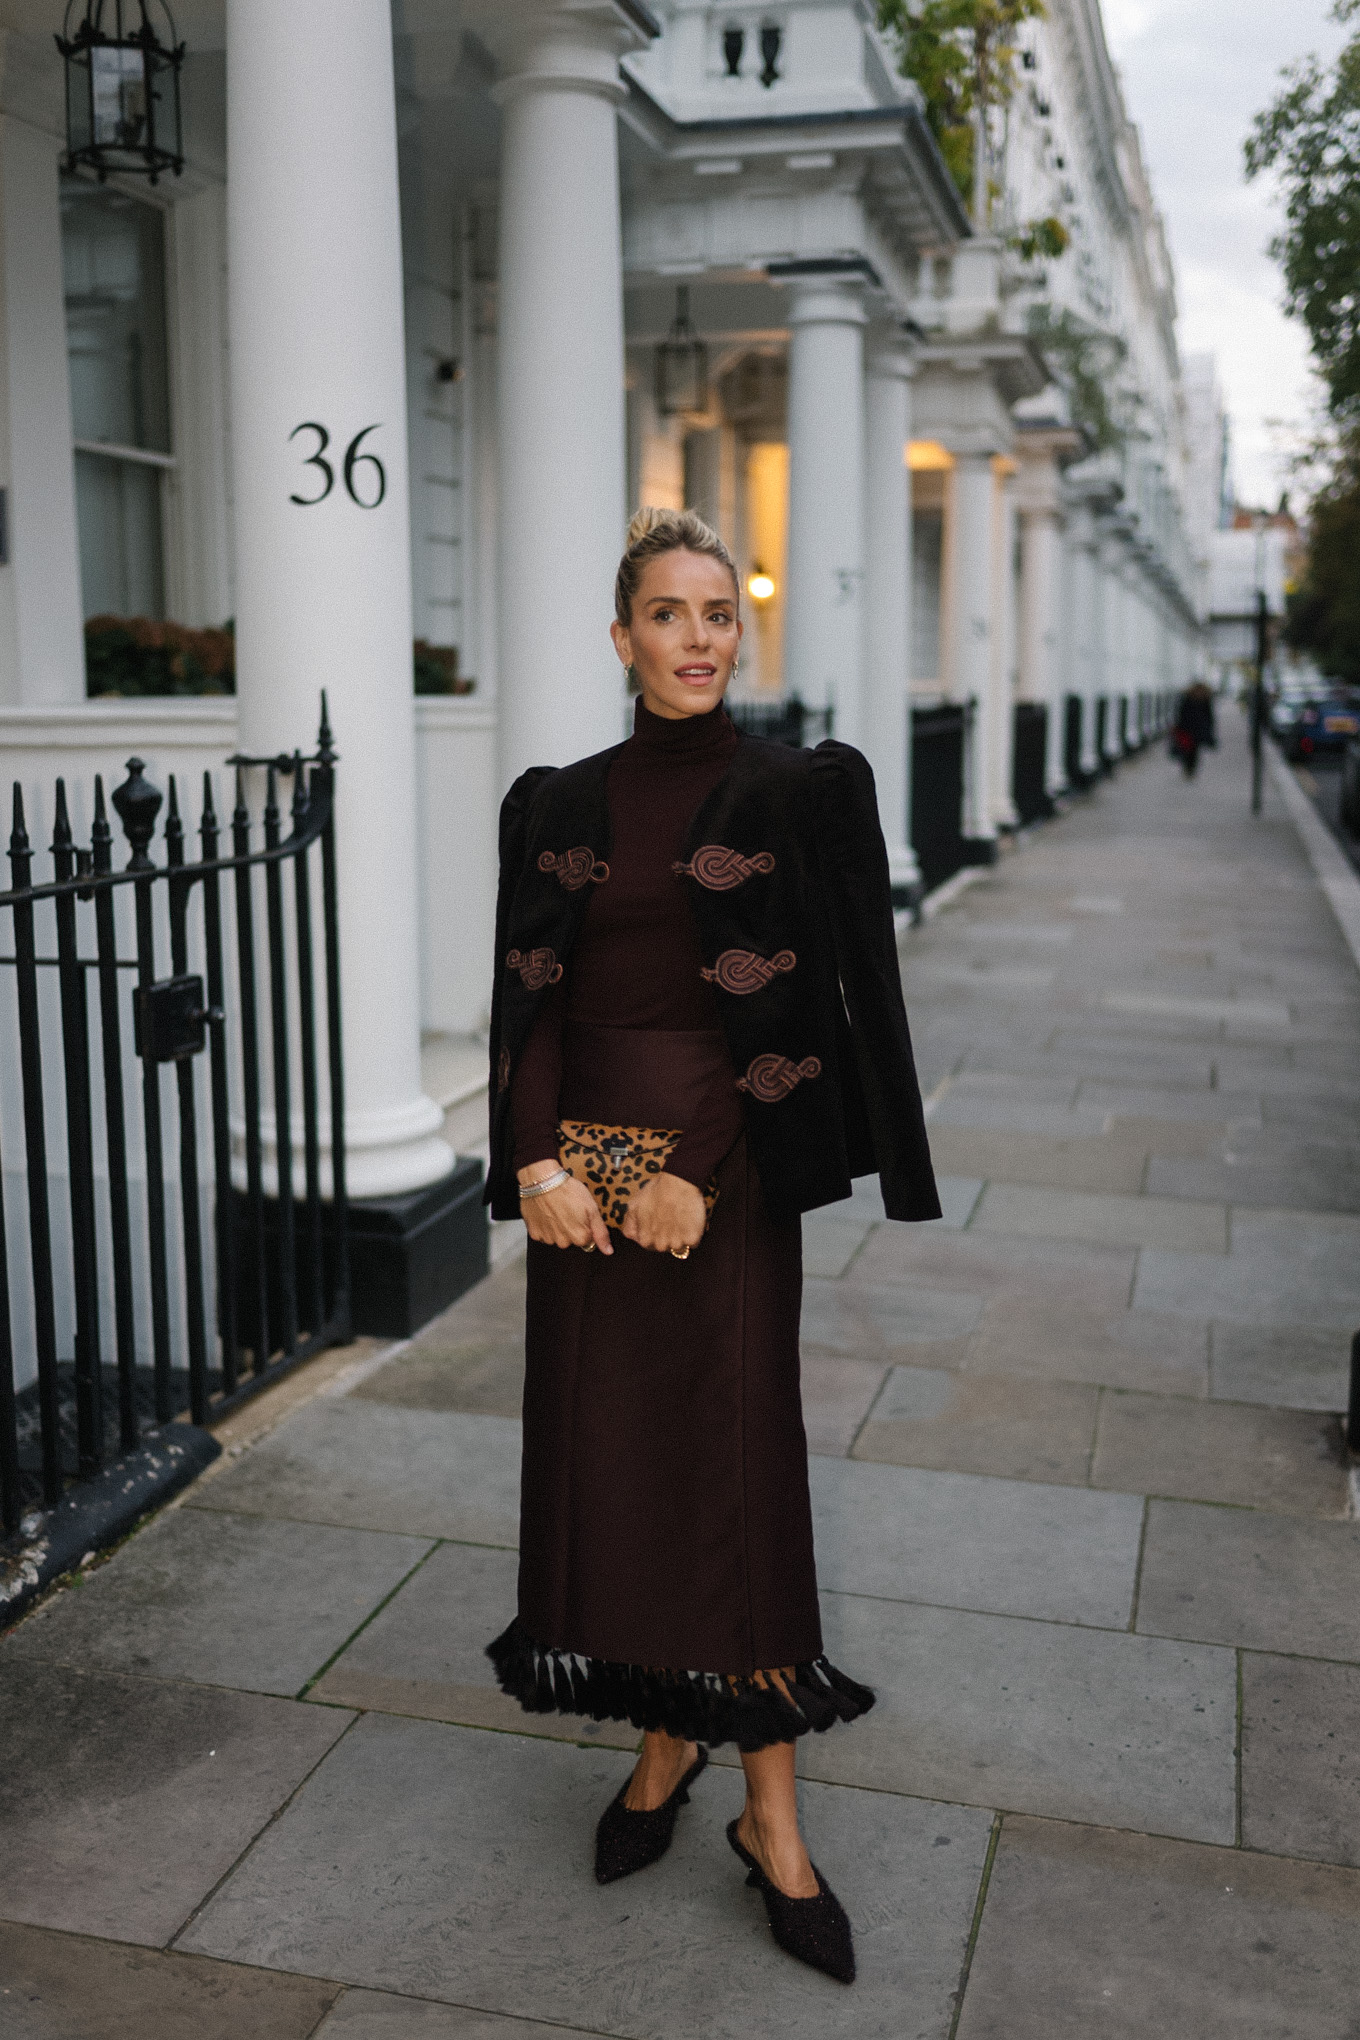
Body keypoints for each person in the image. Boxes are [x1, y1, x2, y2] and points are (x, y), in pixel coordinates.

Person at [484, 507, 940, 1986]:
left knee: (738, 1476)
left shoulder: (790, 792)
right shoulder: (555, 798)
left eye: (719, 614)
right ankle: (665, 1740)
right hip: (582, 1197)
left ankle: (773, 1819)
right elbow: (533, 1009)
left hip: (721, 1184)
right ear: (621, 640)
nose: (698, 638)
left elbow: (809, 1018)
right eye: (668, 616)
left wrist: (701, 1171)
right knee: (614, 1466)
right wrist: (538, 1162)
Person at [1172, 679, 1217, 777]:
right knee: (1192, 750)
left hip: (1189, 728)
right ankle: (1190, 768)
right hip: (1193, 729)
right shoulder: (1204, 698)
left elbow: (1181, 713)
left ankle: (1189, 768)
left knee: (1189, 750)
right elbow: (1209, 715)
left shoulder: (1189, 698)